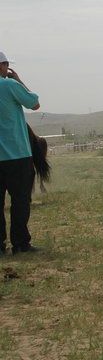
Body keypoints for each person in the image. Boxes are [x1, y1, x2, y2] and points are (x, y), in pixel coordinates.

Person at [0, 52, 40, 254]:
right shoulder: (10, 85)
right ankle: (20, 243)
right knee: (20, 201)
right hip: (16, 155)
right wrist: (19, 80)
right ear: (3, 65)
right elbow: (34, 103)